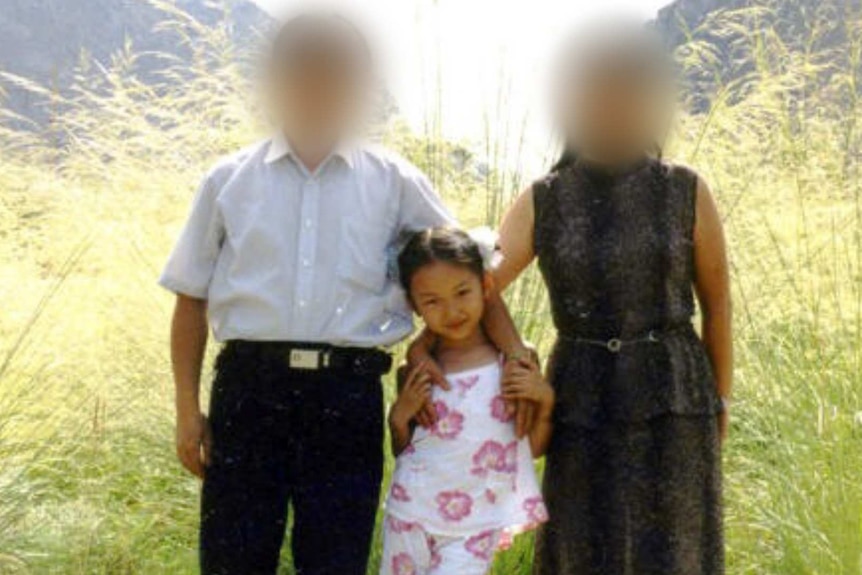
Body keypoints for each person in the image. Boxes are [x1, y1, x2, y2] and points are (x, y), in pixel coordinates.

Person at [160, 11, 532, 575]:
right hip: (248, 394)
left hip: (347, 395)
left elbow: (468, 273)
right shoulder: (229, 180)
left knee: (335, 560)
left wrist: (515, 354)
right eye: (303, 72)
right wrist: (188, 411)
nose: (319, 87)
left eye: (336, 74)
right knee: (234, 558)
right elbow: (191, 299)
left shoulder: (394, 181)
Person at [493, 21, 732, 574]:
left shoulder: (685, 188)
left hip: (676, 401)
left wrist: (719, 399)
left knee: (677, 557)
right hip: (580, 401)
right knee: (581, 553)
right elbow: (478, 286)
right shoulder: (544, 199)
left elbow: (717, 305)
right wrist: (516, 353)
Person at [380, 228, 553, 575]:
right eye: (432, 301)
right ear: (414, 306)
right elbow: (405, 450)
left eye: (462, 292)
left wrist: (545, 400)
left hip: (475, 525)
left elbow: (531, 448)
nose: (452, 310)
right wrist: (399, 418)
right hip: (409, 514)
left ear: (486, 286)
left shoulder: (514, 365)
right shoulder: (416, 371)